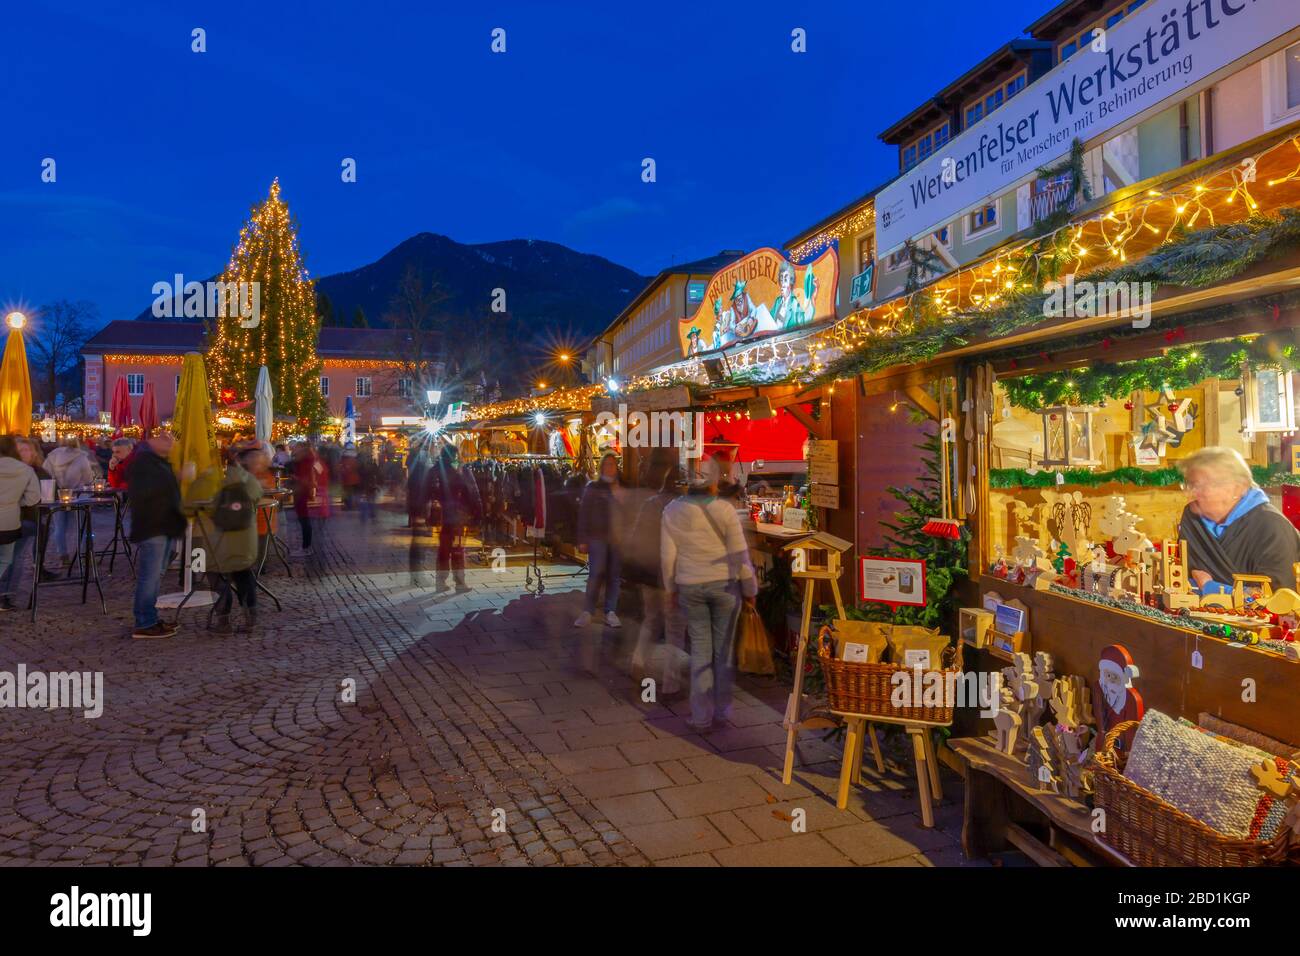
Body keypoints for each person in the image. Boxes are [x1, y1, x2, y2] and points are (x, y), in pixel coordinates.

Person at [661, 456, 758, 731]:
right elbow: (740, 556)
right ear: (713, 482)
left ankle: (701, 715)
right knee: (722, 653)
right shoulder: (725, 510)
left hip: (691, 586)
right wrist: (750, 588)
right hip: (725, 587)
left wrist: (670, 588)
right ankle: (722, 711)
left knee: (700, 651)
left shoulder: (672, 510)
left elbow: (668, 556)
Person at [1177, 446, 1300, 592]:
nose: (1193, 493)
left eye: (1202, 485)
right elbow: (1184, 573)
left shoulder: (1273, 526)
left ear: (1237, 488)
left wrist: (1210, 587)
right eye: (1190, 484)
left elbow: (1280, 597)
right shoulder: (1193, 519)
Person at [185, 449, 265, 633]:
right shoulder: (248, 479)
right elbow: (258, 495)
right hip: (244, 541)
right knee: (244, 575)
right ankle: (251, 619)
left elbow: (188, 507)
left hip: (213, 542)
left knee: (217, 578)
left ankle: (223, 621)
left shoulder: (204, 481)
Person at [626, 466, 687, 692]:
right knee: (674, 626)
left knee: (651, 619)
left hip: (648, 572)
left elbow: (635, 535)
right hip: (668, 573)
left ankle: (638, 662)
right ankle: (671, 682)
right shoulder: (679, 509)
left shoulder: (650, 503)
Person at [126, 430, 187, 639]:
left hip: (163, 524)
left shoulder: (155, 460)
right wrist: (176, 478)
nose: (171, 445)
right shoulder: (143, 462)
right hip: (153, 526)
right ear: (155, 440)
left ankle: (150, 618)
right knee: (149, 577)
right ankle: (144, 622)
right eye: (167, 441)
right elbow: (148, 491)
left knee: (155, 576)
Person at [575, 452, 625, 628]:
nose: (610, 468)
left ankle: (610, 611)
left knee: (614, 575)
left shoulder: (621, 487)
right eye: (607, 464)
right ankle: (588, 611)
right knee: (595, 574)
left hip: (617, 538)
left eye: (613, 464)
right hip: (598, 537)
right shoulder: (593, 487)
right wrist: (582, 538)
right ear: (601, 466)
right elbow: (584, 513)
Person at [0, 438, 50, 609]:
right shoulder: (26, 471)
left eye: (25, 450)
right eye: (18, 450)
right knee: (8, 557)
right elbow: (32, 499)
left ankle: (6, 595)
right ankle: (5, 594)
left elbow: (50, 496)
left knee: (13, 556)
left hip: (27, 521)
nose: (22, 453)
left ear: (34, 452)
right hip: (13, 521)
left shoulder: (40, 472)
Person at [426, 444, 482, 592]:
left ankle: (441, 581)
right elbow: (473, 492)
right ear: (455, 455)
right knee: (457, 548)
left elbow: (427, 492)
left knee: (444, 549)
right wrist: (477, 513)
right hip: (457, 515)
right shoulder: (461, 469)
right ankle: (459, 582)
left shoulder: (435, 470)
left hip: (442, 517)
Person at [44, 435, 95, 567]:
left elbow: (45, 474)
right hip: (78, 496)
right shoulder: (81, 457)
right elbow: (88, 478)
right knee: (82, 527)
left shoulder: (52, 456)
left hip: (57, 495)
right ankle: (84, 555)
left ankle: (63, 555)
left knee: (59, 528)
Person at [290, 442, 329, 557]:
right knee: (308, 524)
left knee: (306, 523)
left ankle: (307, 548)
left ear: (302, 450)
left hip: (307, 498)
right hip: (309, 498)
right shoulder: (314, 461)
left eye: (296, 449)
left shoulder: (309, 462)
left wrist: (297, 479)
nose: (294, 451)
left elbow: (312, 481)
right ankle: (310, 548)